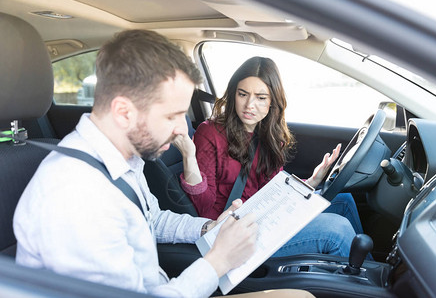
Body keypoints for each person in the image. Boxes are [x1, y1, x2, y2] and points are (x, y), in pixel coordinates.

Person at [13, 30, 314, 298]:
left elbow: (153, 221)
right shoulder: (76, 196)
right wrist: (218, 261)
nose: (182, 131)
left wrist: (209, 226)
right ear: (124, 111)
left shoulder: (123, 160)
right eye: (172, 117)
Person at [176, 56, 364, 257]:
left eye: (260, 97)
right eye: (243, 94)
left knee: (343, 201)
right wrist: (189, 157)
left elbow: (273, 190)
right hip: (233, 230)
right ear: (233, 94)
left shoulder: (268, 135)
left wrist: (312, 181)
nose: (250, 104)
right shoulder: (210, 132)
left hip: (264, 214)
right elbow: (202, 206)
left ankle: (374, 276)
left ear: (272, 101)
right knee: (338, 230)